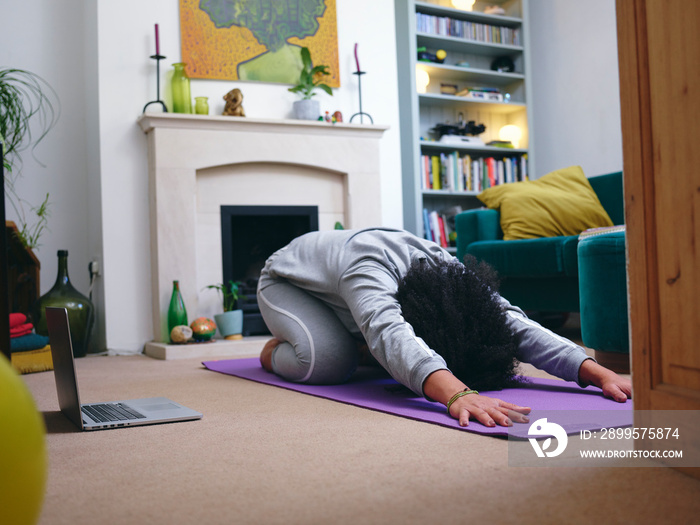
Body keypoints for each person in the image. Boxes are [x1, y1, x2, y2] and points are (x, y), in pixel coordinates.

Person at [256, 228, 631, 428]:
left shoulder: (450, 273)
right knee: (328, 363)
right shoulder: (367, 270)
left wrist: (596, 372)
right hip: (287, 282)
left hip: (341, 293)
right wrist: (455, 393)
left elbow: (513, 323)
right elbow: (388, 329)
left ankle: (357, 345)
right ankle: (276, 349)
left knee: (381, 349)